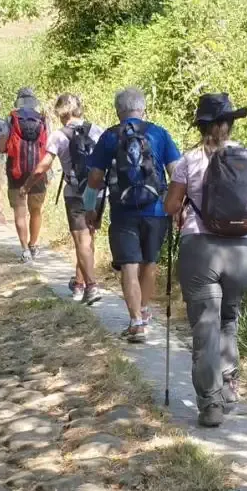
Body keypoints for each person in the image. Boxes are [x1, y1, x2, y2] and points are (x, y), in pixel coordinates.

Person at [164, 93, 247, 428]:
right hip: (241, 250)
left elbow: (171, 207)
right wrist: (246, 217)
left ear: (202, 125)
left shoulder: (188, 161)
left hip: (200, 249)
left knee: (205, 326)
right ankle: (229, 385)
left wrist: (183, 201)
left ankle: (211, 404)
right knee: (228, 316)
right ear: (229, 124)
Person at [87, 87, 181, 343]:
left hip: (123, 211)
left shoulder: (109, 136)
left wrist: (90, 207)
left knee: (129, 265)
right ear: (143, 109)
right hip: (157, 210)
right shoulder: (159, 133)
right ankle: (145, 310)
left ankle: (136, 322)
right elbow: (176, 172)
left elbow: (95, 178)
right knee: (149, 262)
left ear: (118, 111)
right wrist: (177, 206)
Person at [30, 93, 105, 304]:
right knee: (89, 239)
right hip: (97, 192)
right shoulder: (97, 130)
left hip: (74, 193)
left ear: (61, 112)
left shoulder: (59, 136)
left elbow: (44, 165)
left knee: (80, 240)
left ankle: (91, 286)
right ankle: (79, 284)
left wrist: (28, 185)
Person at [3, 87, 50, 262]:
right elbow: (49, 145)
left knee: (20, 210)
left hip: (15, 169)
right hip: (38, 170)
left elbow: (5, 142)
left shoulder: (11, 117)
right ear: (34, 101)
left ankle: (24, 250)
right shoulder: (43, 118)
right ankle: (34, 244)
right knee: (36, 210)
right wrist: (49, 172)